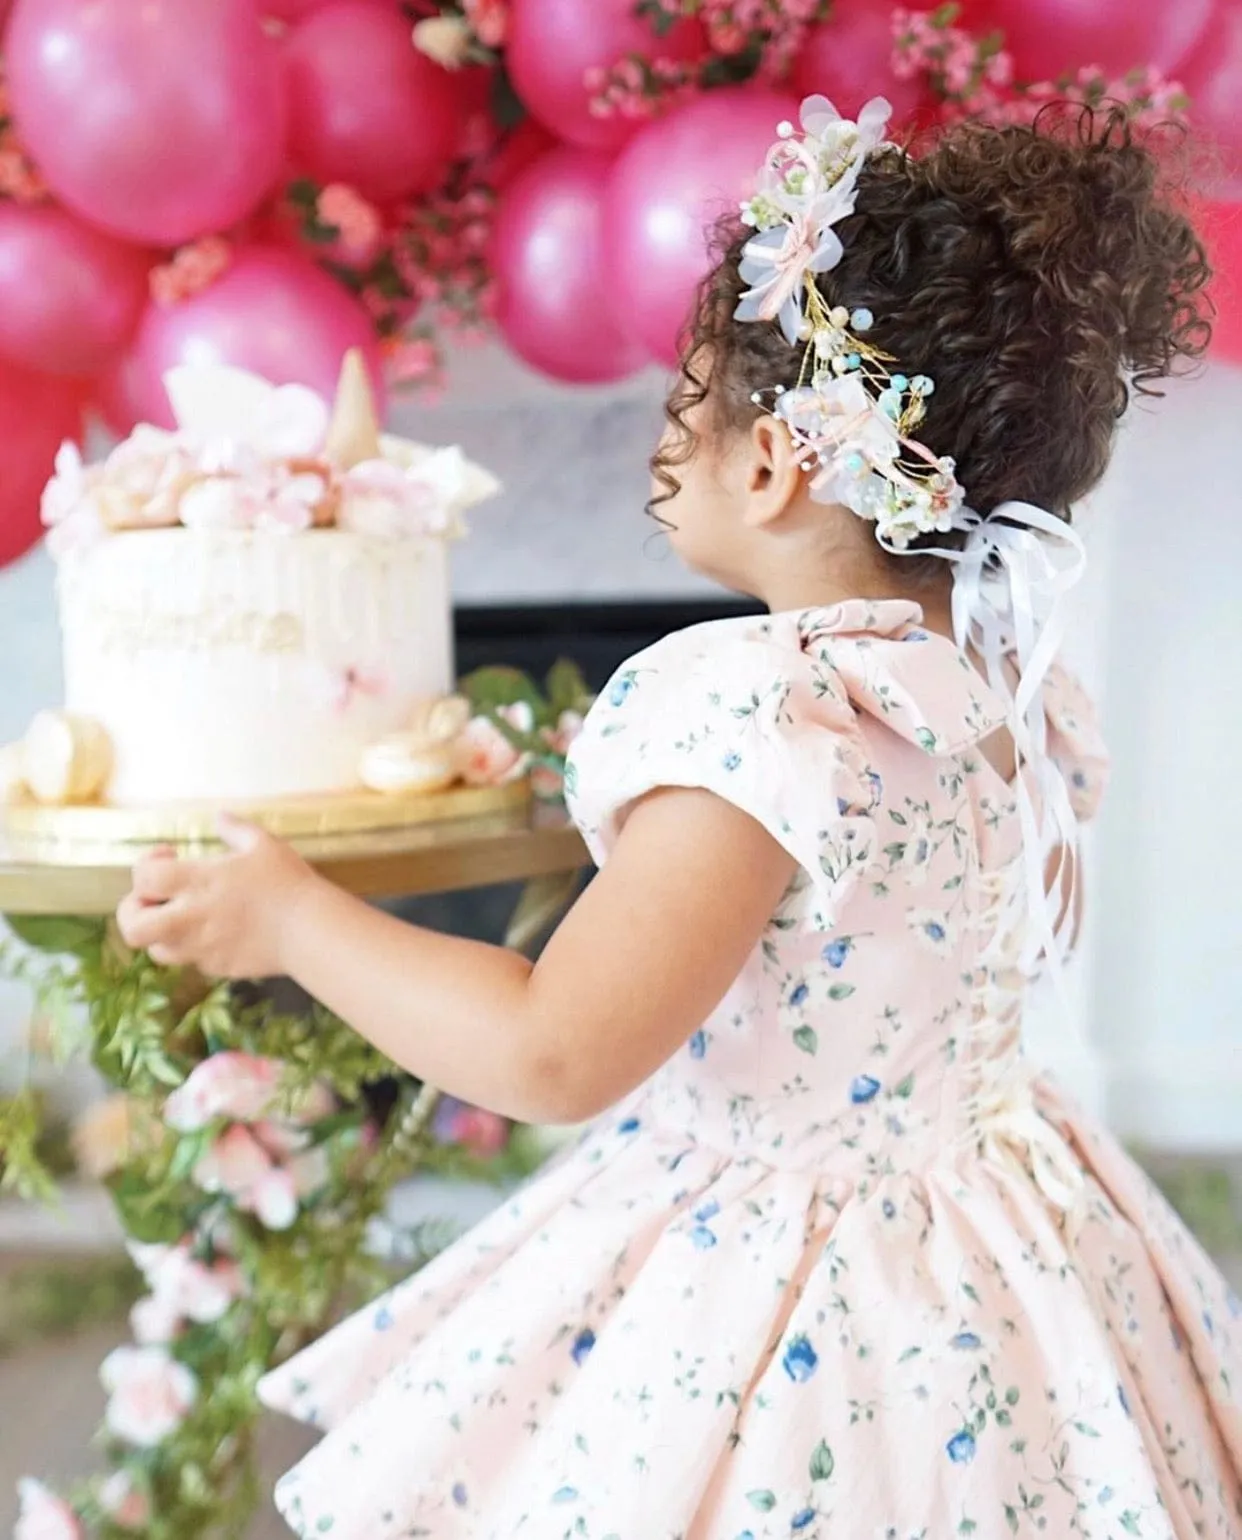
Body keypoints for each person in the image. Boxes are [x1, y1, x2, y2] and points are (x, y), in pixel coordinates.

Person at [117, 98, 1239, 1539]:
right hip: (994, 1228)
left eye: (680, 406)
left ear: (769, 463)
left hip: (805, 1294)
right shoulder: (997, 687)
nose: (669, 437)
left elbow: (555, 1047)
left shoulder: (769, 721)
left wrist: (292, 917)